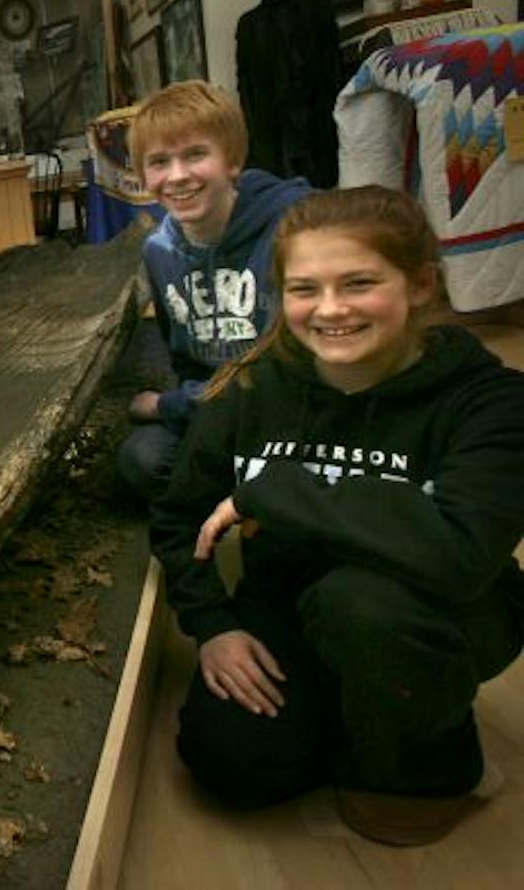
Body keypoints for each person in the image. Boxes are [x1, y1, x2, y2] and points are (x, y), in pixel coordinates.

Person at [152, 186, 524, 846]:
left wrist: (272, 491)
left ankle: (433, 750)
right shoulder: (255, 386)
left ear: (419, 285)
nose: (330, 310)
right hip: (287, 612)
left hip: (434, 613)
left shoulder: (490, 402)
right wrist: (214, 626)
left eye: (358, 283)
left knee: (360, 603)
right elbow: (181, 518)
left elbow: (460, 550)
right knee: (234, 762)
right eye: (304, 288)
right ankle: (363, 715)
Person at [116, 82, 310, 499]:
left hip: (290, 407)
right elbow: (185, 358)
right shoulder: (159, 252)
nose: (178, 176)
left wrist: (164, 405)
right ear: (143, 174)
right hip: (215, 411)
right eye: (159, 162)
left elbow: (289, 367)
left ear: (232, 160)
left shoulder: (291, 228)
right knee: (142, 459)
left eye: (195, 154)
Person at [234, 0, 345, 188]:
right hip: (275, 145)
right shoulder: (250, 26)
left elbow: (334, 75)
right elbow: (249, 96)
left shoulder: (319, 8)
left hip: (321, 135)